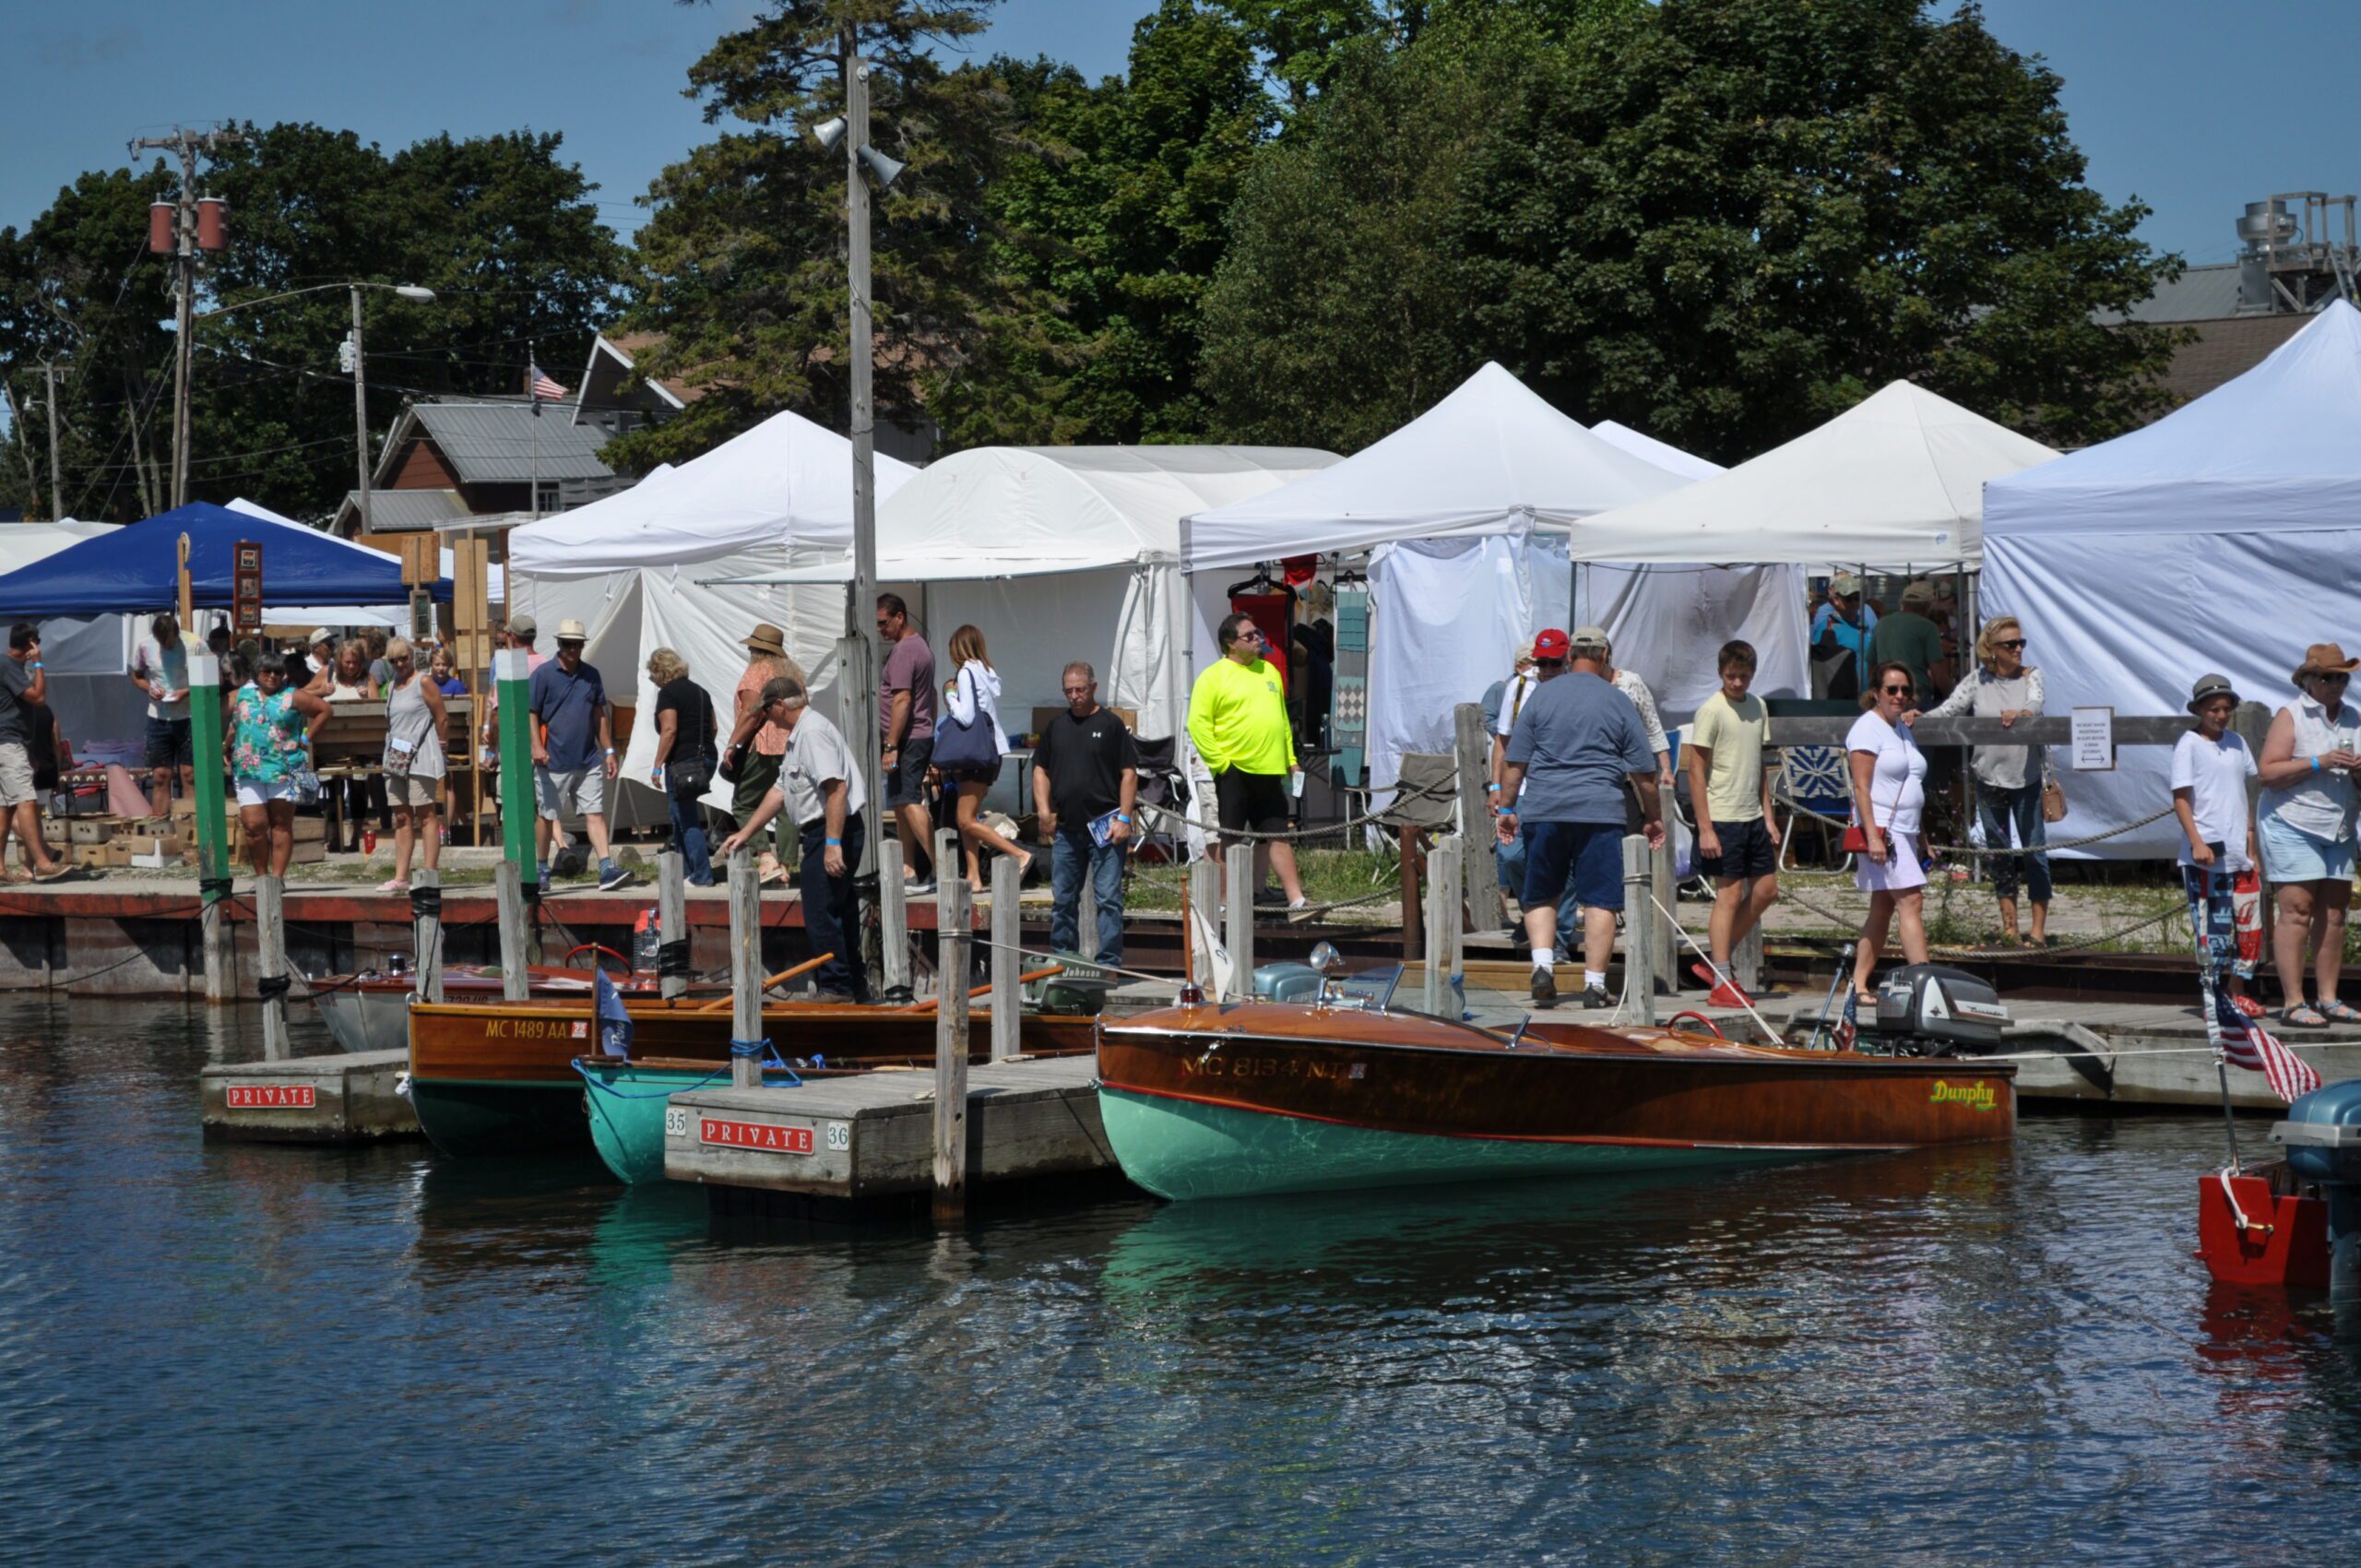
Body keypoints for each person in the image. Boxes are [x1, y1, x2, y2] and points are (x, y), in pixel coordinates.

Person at [1495, 630, 1664, 1008]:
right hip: (1600, 810)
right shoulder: (1617, 701)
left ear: (1569, 655)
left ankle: (1542, 966)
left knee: (1541, 891)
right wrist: (1654, 818)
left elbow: (1515, 761)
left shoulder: (1541, 697)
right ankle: (1594, 985)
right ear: (1605, 655)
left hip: (1544, 807)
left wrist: (1507, 809)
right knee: (1601, 899)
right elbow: (1644, 773)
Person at [720, 675, 870, 1003]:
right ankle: (853, 985)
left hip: (833, 831)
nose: (766, 719)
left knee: (821, 913)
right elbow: (781, 790)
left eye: (766, 711)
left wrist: (832, 845)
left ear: (778, 706)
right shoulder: (799, 735)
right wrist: (745, 833)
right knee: (838, 910)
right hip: (827, 831)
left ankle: (836, 988)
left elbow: (836, 788)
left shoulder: (812, 733)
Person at [1926, 615, 2051, 945]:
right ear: (1992, 650)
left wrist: (2022, 714)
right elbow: (1950, 709)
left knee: (2034, 851)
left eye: (2021, 643)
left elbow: (2035, 704)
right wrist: (1919, 718)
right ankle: (2010, 927)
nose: (2018, 649)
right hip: (1988, 777)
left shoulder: (2031, 676)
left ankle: (2037, 930)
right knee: (1998, 853)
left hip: (2026, 778)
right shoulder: (1977, 680)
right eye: (2011, 644)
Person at [2255, 642, 2361, 1028]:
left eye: (2342, 678)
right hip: (2292, 823)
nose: (2336, 685)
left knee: (2335, 915)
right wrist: (2321, 760)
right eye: (2328, 678)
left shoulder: (2355, 718)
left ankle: (2329, 999)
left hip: (2339, 826)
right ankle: (2293, 1001)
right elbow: (2267, 772)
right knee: (2298, 911)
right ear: (2308, 680)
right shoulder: (2292, 715)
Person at [1188, 612, 1307, 912]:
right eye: (1250, 635)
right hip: (1235, 771)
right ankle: (1226, 902)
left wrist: (1290, 759)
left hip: (1269, 770)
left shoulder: (1270, 672)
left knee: (1277, 835)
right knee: (1230, 838)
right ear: (1231, 643)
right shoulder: (1213, 676)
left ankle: (1297, 900)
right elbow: (1199, 724)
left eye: (1258, 633)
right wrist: (1222, 764)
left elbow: (1281, 720)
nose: (1258, 640)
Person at [1685, 638, 1779, 1007]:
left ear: (1752, 674)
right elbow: (1695, 769)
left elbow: (1758, 765)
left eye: (1743, 676)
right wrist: (1705, 826)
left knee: (1767, 890)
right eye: (1730, 676)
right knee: (1728, 894)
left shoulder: (1759, 707)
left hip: (1753, 815)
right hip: (1722, 815)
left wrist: (1769, 817)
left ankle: (1715, 961)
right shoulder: (1711, 710)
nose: (1737, 683)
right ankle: (1722, 977)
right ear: (1720, 673)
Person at [1033, 660, 1138, 967]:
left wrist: (1125, 819)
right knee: (1063, 899)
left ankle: (1108, 964)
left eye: (1080, 689)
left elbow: (1129, 774)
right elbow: (1041, 769)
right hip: (1067, 828)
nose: (1075, 696)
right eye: (1069, 690)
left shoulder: (1111, 725)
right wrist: (1043, 811)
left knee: (1108, 899)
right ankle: (1064, 959)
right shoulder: (1056, 727)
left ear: (1093, 687)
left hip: (1105, 827)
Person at [2173, 673, 2262, 1019]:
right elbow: (2181, 798)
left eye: (2226, 709)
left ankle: (2238, 992)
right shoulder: (2189, 745)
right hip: (2208, 852)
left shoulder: (2238, 742)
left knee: (2249, 927)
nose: (2221, 716)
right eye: (2213, 709)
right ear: (2200, 710)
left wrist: (2251, 844)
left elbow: (2244, 793)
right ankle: (2214, 996)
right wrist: (2196, 841)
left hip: (2240, 851)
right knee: (2214, 929)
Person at [1847, 660, 1931, 1006]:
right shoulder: (1867, 729)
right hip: (1883, 829)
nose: (1899, 696)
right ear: (1875, 693)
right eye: (1891, 690)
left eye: (1905, 690)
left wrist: (1923, 835)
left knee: (1882, 907)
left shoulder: (1900, 727)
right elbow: (1861, 787)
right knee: (1911, 900)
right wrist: (1874, 836)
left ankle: (1859, 983)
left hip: (1906, 830)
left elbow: (1909, 782)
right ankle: (1927, 986)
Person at [529, 618, 627, 890]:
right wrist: (536, 746)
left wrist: (608, 750)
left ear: (582, 646)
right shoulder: (544, 674)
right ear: (559, 645)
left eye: (576, 645)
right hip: (553, 759)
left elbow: (599, 716)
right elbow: (532, 713)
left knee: (595, 812)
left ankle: (606, 867)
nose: (571, 649)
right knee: (547, 816)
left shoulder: (592, 675)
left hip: (587, 757)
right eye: (566, 644)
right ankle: (541, 869)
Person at [938, 624, 1031, 893]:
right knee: (968, 818)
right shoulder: (987, 672)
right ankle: (973, 877)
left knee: (965, 820)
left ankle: (1018, 855)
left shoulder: (966, 672)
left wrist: (950, 697)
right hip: (990, 752)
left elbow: (966, 716)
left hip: (974, 754)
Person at [228, 652, 329, 878]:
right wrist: (226, 744)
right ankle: (262, 878)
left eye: (277, 672)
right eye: (267, 671)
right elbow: (232, 721)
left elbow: (324, 710)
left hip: (284, 768)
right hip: (249, 769)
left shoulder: (293, 696)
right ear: (257, 673)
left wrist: (306, 737)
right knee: (254, 826)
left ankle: (277, 879)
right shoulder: (240, 695)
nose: (272, 676)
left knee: (281, 824)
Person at [722, 623, 800, 885]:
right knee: (786, 805)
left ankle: (765, 856)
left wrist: (733, 744)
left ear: (756, 648)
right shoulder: (792, 672)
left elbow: (750, 712)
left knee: (744, 802)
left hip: (765, 745)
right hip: (792, 743)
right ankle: (786, 864)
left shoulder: (757, 672)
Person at [877, 593, 939, 893]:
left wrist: (891, 746)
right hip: (917, 735)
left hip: (907, 738)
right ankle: (909, 867)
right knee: (901, 802)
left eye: (883, 622)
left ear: (900, 617)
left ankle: (941, 867)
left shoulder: (904, 651)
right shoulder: (921, 647)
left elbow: (902, 699)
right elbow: (933, 694)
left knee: (910, 800)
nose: (880, 629)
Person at [376, 639, 447, 895]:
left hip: (420, 756)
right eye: (394, 660)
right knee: (402, 816)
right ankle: (401, 876)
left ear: (411, 656)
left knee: (426, 814)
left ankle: (429, 872)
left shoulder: (424, 681)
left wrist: (441, 746)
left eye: (403, 658)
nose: (399, 664)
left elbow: (441, 715)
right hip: (396, 757)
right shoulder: (392, 687)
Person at [0, 624, 71, 882]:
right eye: (36, 643)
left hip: (11, 743)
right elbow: (38, 697)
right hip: (7, 743)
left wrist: (27, 747)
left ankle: (0, 869)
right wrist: (39, 665)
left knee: (5, 808)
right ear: (30, 644)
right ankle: (43, 862)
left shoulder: (9, 667)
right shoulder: (8, 666)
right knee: (26, 801)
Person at [648, 647, 719, 886]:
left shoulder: (668, 693)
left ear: (661, 673)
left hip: (683, 763)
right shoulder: (701, 692)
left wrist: (658, 765)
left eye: (653, 676)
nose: (654, 681)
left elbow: (669, 729)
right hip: (707, 758)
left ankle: (701, 874)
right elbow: (714, 727)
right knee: (681, 815)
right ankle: (685, 871)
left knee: (685, 817)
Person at [1484, 639, 1539, 912]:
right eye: (1537, 662)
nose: (1544, 668)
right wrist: (1496, 786)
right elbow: (1499, 737)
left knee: (1549, 855)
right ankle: (1527, 905)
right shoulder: (1509, 689)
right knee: (1512, 854)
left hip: (1546, 788)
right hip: (1515, 786)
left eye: (1552, 662)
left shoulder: (1556, 687)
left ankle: (1542, 917)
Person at [1587, 629, 1675, 802]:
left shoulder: (1631, 682)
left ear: (1606, 655)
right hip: (1594, 776)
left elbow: (1653, 727)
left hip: (1630, 777)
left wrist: (1666, 769)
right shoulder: (1581, 686)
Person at [129, 612, 193, 818]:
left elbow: (213, 677)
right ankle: (160, 827)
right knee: (160, 775)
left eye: (170, 642)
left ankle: (192, 825)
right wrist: (149, 689)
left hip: (189, 716)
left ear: (178, 634)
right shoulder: (144, 645)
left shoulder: (194, 644)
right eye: (161, 642)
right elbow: (136, 676)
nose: (166, 646)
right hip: (158, 717)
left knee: (189, 775)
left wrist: (186, 692)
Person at [1867, 579, 1952, 707]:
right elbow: (1939, 675)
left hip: (1886, 692)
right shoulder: (1928, 627)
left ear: (1903, 602)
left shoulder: (1882, 623)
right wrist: (1953, 694)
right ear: (1927, 606)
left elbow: (1871, 664)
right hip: (1915, 694)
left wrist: (1876, 690)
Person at [1809, 574, 1879, 702]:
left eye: (1857, 598)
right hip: (1841, 699)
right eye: (1849, 599)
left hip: (1868, 697)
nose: (1854, 603)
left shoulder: (1864, 624)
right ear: (1836, 599)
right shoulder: (1827, 628)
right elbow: (1819, 669)